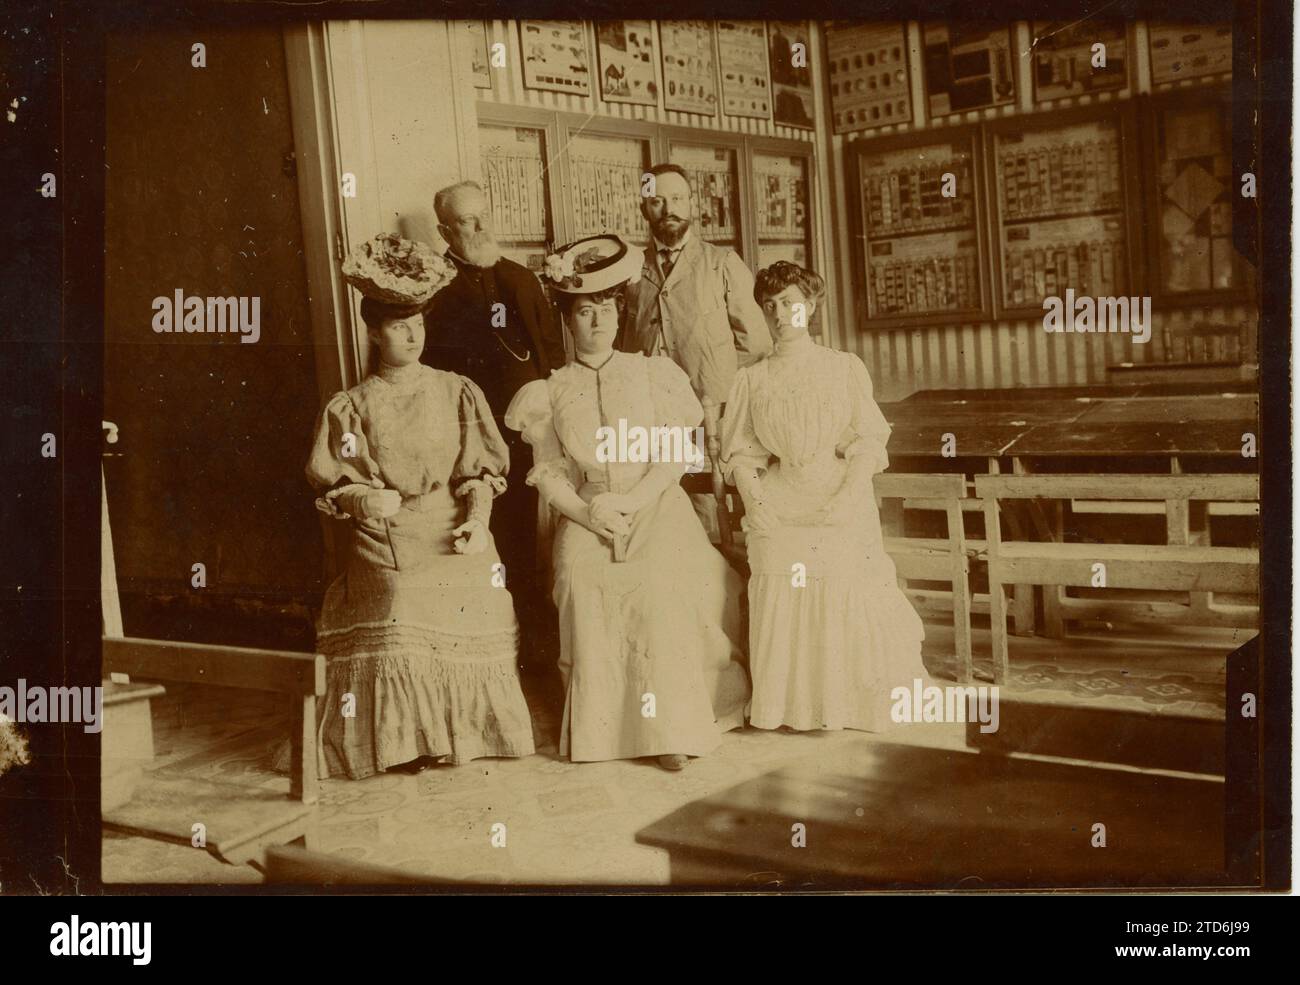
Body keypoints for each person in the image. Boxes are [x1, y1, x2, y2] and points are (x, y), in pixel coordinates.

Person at [506, 235, 750, 771]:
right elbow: (547, 472)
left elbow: (670, 458)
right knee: (580, 579)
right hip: (587, 508)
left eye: (607, 310)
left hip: (655, 502)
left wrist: (635, 500)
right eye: (585, 312)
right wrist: (588, 511)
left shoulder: (652, 373)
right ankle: (604, 732)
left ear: (620, 314)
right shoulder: (551, 390)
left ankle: (671, 730)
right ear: (569, 321)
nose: (598, 322)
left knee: (660, 584)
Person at [288, 289, 535, 779]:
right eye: (399, 326)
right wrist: (364, 500)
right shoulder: (352, 405)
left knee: (477, 584)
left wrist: (478, 520)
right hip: (386, 532)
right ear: (375, 333)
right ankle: (402, 743)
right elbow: (340, 481)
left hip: (452, 523)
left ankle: (463, 735)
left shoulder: (455, 390)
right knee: (400, 595)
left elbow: (478, 472)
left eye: (418, 323)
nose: (413, 334)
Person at [721, 261, 929, 732]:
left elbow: (869, 440)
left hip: (837, 492)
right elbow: (740, 453)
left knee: (841, 566)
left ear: (810, 307)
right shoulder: (750, 380)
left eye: (790, 303)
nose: (780, 314)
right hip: (780, 496)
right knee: (775, 557)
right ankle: (789, 705)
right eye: (770, 306)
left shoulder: (842, 367)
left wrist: (848, 494)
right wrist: (756, 501)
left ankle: (844, 703)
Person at [422, 179, 566, 671]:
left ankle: (541, 659)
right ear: (445, 229)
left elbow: (552, 360)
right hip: (471, 445)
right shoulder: (433, 288)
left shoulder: (522, 280)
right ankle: (493, 660)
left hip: (530, 438)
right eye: (467, 220)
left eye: (485, 214)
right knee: (485, 543)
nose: (482, 227)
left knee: (534, 545)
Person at [619, 163, 772, 540]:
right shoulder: (631, 269)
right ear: (644, 209)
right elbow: (622, 343)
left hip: (710, 410)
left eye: (677, 199)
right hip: (649, 411)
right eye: (656, 201)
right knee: (659, 496)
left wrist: (716, 382)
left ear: (691, 205)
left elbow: (756, 343)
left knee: (711, 494)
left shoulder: (722, 264)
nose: (668, 208)